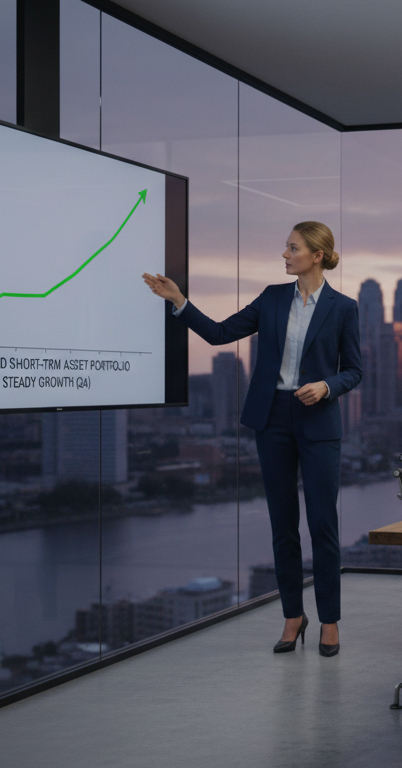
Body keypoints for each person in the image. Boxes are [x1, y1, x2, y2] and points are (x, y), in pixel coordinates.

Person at [142, 222, 361, 658]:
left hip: (319, 421)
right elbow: (221, 333)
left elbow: (354, 369)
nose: (285, 254)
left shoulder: (343, 308)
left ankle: (330, 622)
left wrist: (327, 386)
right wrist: (179, 301)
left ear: (316, 255)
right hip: (273, 419)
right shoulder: (272, 298)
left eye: (292, 248)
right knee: (283, 526)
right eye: (286, 247)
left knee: (323, 526)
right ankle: (293, 617)